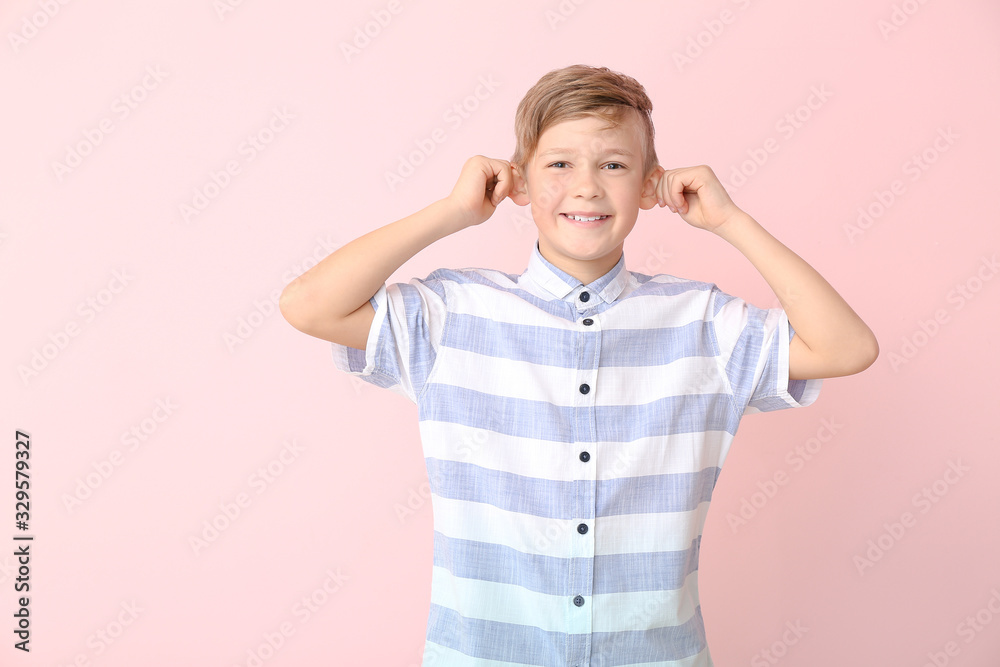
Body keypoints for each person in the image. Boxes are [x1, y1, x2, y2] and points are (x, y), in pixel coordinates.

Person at [279, 63, 878, 667]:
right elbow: (308, 304)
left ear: (650, 186)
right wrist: (452, 211)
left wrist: (731, 222)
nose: (587, 187)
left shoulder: (703, 324)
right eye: (559, 163)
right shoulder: (451, 317)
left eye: (614, 164)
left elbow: (847, 348)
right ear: (518, 181)